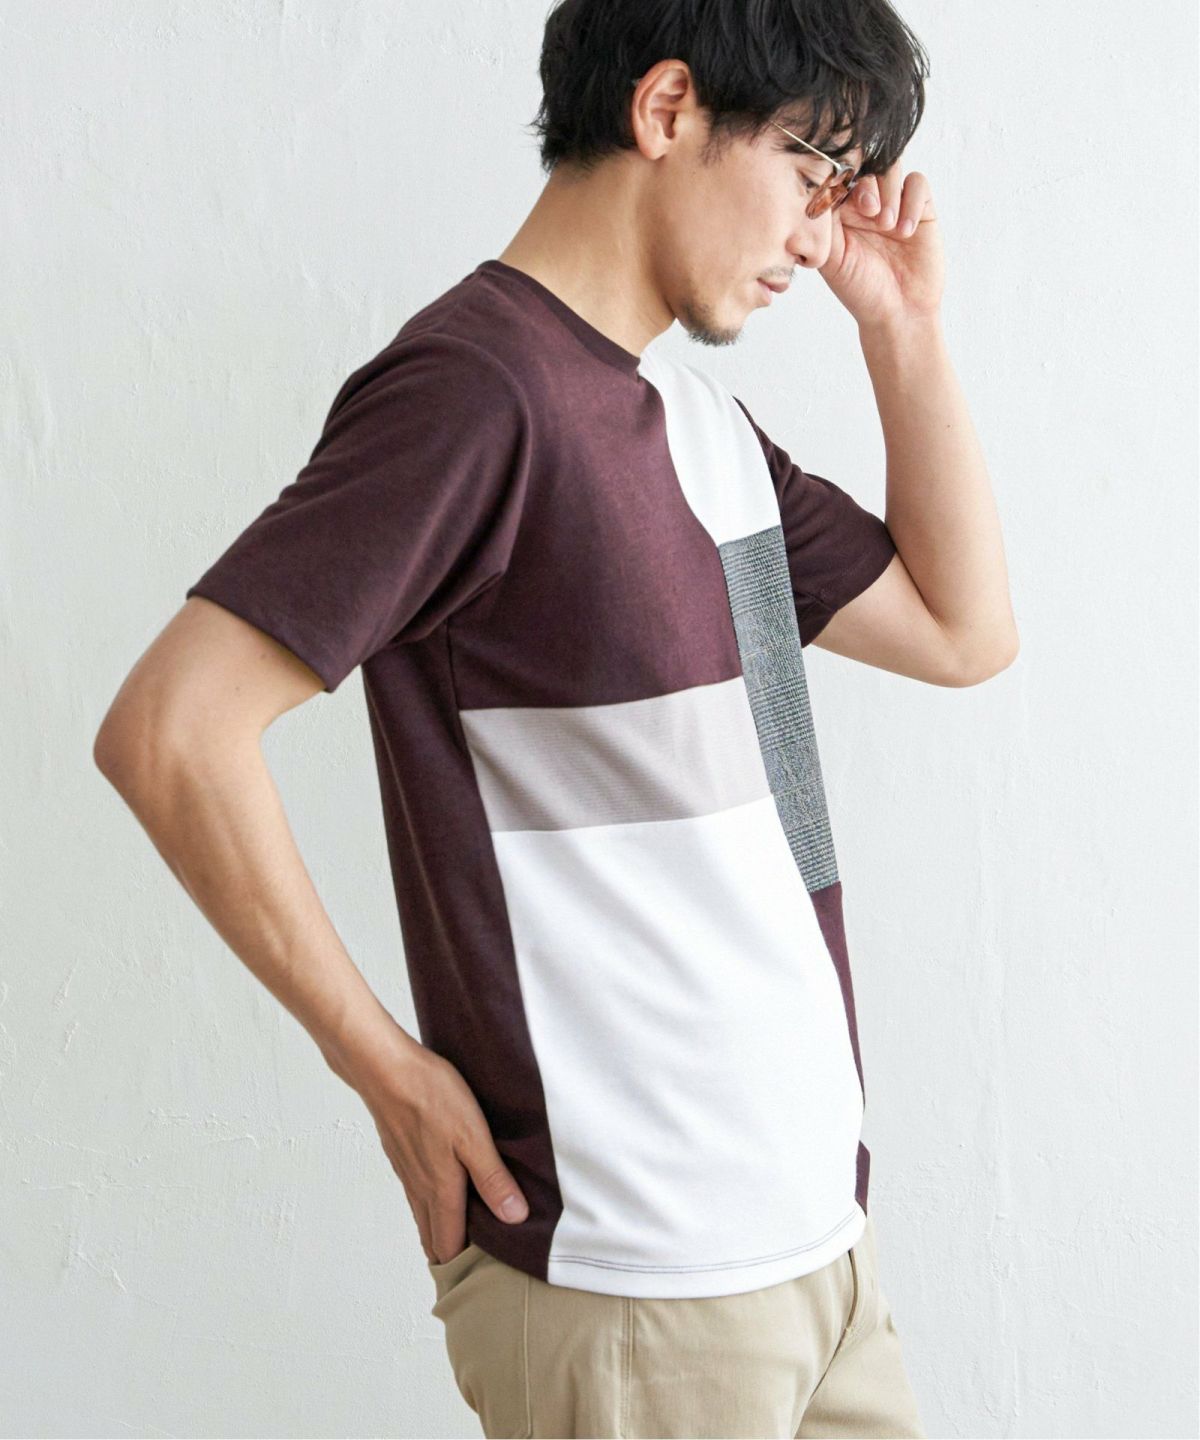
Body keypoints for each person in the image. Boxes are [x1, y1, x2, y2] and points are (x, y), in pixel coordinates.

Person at [93, 0, 1017, 1434]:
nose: (820, 231)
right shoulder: (476, 395)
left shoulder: (702, 428)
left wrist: (903, 327)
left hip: (820, 1248)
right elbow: (171, 732)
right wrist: (382, 1069)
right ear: (666, 110)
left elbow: (966, 634)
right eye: (807, 169)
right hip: (634, 1288)